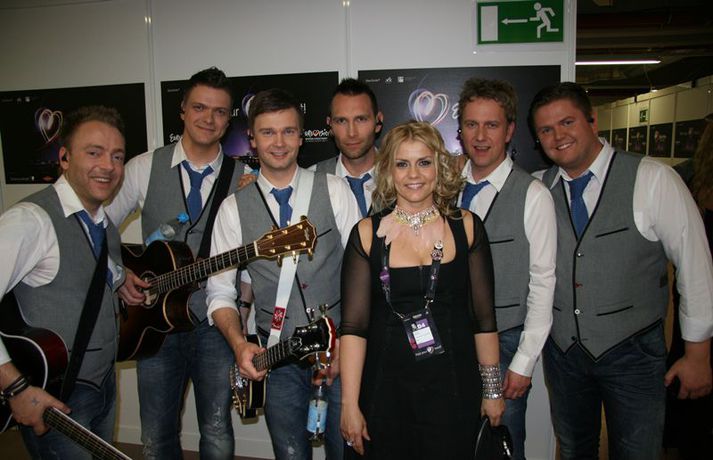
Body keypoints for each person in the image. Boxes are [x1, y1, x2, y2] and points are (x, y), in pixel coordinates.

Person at [529, 82, 713, 460]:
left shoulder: (652, 178)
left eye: (567, 122)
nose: (558, 136)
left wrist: (697, 354)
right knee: (574, 449)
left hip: (633, 352)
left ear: (592, 120)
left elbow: (695, 267)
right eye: (546, 129)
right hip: (564, 352)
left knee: (636, 452)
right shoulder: (537, 188)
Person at [206, 88, 360, 460]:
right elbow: (220, 292)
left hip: (340, 350)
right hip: (278, 356)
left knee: (346, 451)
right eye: (268, 132)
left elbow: (362, 276)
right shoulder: (232, 210)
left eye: (288, 131)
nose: (279, 142)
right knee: (290, 453)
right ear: (252, 139)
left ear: (301, 136)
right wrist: (239, 344)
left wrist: (350, 343)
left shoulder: (335, 190)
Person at [339, 121, 505, 459]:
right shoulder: (366, 233)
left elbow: (484, 319)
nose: (413, 174)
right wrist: (349, 404)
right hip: (384, 391)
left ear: (438, 167)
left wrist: (492, 391)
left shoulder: (467, 227)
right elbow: (354, 328)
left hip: (454, 389)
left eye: (424, 162)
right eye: (402, 163)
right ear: (389, 170)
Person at [106, 67, 245, 460]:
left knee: (217, 430)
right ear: (182, 109)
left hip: (216, 323)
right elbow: (98, 225)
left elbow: (251, 259)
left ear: (229, 119)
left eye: (220, 111)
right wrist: (118, 274)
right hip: (154, 325)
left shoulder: (244, 177)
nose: (209, 118)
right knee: (156, 433)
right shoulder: (143, 167)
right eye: (199, 107)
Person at [0, 106, 127, 459]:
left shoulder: (102, 223)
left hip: (103, 384)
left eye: (117, 156)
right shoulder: (30, 220)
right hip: (55, 395)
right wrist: (16, 388)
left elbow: (90, 270)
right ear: (65, 158)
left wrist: (122, 279)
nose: (108, 166)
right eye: (94, 152)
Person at [457, 78, 556, 460]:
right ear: (460, 130)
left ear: (510, 130)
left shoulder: (533, 195)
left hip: (506, 343)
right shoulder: (443, 189)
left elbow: (543, 282)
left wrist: (524, 362)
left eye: (492, 125)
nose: (481, 136)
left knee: (501, 449)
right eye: (471, 124)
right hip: (451, 342)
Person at [664, 112, 713, 459]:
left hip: (694, 314)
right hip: (696, 313)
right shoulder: (684, 179)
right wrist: (698, 353)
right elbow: (693, 267)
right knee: (693, 410)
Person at [312, 78, 383, 217]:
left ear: (378, 121)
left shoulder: (404, 176)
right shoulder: (310, 182)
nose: (351, 133)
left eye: (361, 119)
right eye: (341, 121)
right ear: (330, 125)